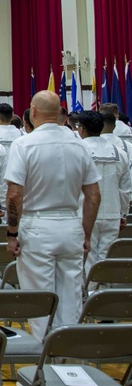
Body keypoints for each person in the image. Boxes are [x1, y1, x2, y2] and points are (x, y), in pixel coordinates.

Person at [4, 90, 101, 341]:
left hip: (37, 225)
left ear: (33, 112)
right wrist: (86, 233)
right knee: (71, 296)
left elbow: (15, 194)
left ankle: (45, 361)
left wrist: (12, 233)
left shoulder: (24, 144)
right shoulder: (78, 144)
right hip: (71, 224)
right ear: (59, 113)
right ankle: (71, 360)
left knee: (40, 299)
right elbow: (93, 196)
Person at [78, 110, 130, 271]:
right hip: (112, 213)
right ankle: (100, 292)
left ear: (81, 129)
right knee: (105, 260)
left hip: (84, 213)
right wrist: (122, 213)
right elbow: (125, 189)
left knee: (87, 259)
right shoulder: (119, 153)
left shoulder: (77, 151)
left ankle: (89, 293)